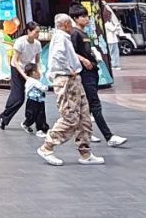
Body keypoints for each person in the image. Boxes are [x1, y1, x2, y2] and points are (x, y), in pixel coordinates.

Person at [37, 14, 103, 166]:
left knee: (84, 117)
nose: (73, 28)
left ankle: (85, 152)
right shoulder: (60, 38)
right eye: (71, 24)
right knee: (70, 117)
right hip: (66, 80)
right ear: (66, 24)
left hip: (73, 79)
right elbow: (58, 56)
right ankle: (47, 147)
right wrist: (69, 70)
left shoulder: (63, 37)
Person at [69, 4, 127, 148]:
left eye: (86, 16)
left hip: (92, 70)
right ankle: (109, 136)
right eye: (83, 16)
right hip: (85, 73)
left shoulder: (84, 33)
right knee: (94, 104)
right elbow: (71, 52)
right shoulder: (75, 33)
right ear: (75, 18)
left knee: (87, 105)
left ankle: (86, 132)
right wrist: (84, 60)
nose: (86, 19)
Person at [0, 21, 42, 130]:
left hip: (29, 70)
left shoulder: (37, 44)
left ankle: (29, 122)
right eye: (36, 32)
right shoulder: (20, 42)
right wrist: (24, 76)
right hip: (17, 69)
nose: (38, 34)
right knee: (18, 98)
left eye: (38, 32)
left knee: (35, 97)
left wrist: (38, 72)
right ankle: (4, 117)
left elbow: (37, 60)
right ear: (29, 31)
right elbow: (15, 61)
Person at [22, 62, 50, 137]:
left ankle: (42, 128)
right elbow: (43, 88)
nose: (40, 73)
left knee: (40, 115)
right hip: (33, 102)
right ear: (34, 73)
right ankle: (28, 124)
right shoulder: (33, 81)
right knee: (33, 115)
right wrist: (48, 87)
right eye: (38, 71)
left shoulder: (33, 80)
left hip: (38, 101)